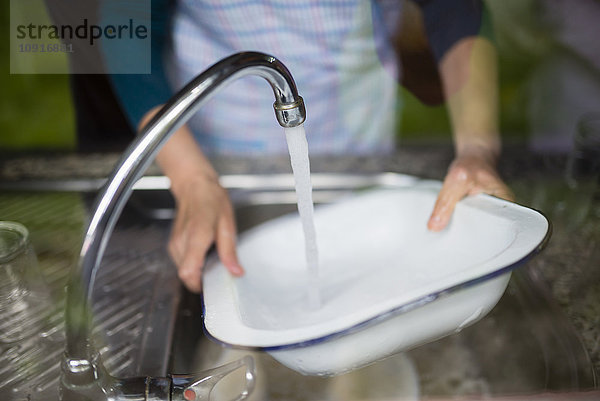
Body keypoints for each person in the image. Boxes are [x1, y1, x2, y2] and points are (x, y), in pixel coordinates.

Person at [99, 0, 513, 293]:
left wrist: (475, 148)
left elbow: (454, 8)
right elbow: (125, 20)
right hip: (218, 150)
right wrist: (190, 177)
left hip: (355, 143)